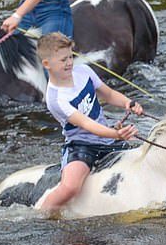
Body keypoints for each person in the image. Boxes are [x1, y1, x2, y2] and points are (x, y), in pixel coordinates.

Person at [37, 32, 142, 218]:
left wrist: (128, 102)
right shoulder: (56, 99)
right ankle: (41, 215)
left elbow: (108, 94)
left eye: (70, 56)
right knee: (70, 187)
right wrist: (116, 134)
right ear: (47, 65)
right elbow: (86, 124)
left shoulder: (84, 72)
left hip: (107, 136)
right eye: (63, 60)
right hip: (82, 145)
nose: (69, 63)